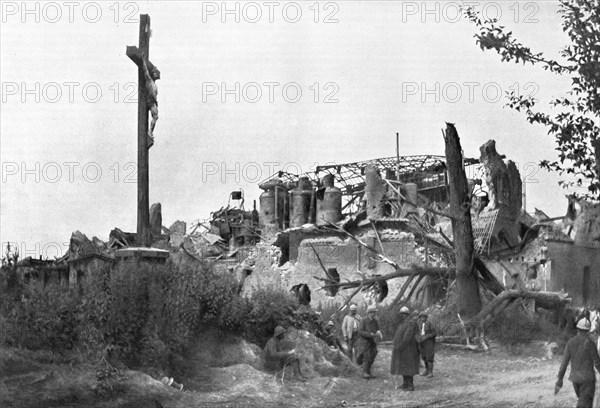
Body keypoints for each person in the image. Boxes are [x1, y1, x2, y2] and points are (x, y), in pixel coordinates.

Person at [555, 318, 600, 408]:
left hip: (575, 380)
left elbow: (564, 364)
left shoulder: (570, 343)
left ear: (577, 329)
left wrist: (560, 380)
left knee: (583, 401)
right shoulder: (590, 344)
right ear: (588, 330)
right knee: (584, 404)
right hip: (588, 380)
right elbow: (597, 363)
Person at [391, 306, 420, 391]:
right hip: (402, 349)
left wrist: (399, 347)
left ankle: (410, 385)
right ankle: (405, 384)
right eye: (401, 314)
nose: (402, 316)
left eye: (403, 314)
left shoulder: (411, 323)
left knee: (408, 367)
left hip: (409, 349)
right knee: (403, 366)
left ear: (407, 315)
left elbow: (407, 337)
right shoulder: (402, 323)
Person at [356, 304, 383, 379]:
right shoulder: (363, 320)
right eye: (373, 312)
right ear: (369, 312)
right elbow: (360, 331)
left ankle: (368, 372)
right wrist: (369, 334)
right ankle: (365, 373)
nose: (374, 314)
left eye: (375, 312)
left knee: (373, 354)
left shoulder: (375, 321)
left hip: (372, 341)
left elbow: (377, 329)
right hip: (364, 341)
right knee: (366, 357)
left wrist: (379, 333)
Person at [141, 53, 159, 147]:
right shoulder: (149, 81)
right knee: (155, 117)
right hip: (150, 101)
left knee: (156, 117)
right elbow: (145, 72)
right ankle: (150, 132)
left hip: (153, 102)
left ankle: (150, 132)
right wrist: (143, 61)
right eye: (155, 73)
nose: (156, 74)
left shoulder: (155, 84)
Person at [416, 311, 437, 378]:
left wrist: (427, 336)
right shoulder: (418, 323)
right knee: (424, 356)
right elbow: (416, 332)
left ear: (426, 317)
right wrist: (418, 338)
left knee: (429, 356)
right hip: (421, 342)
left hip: (429, 342)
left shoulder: (430, 323)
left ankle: (430, 372)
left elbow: (434, 333)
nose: (422, 318)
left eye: (424, 317)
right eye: (421, 317)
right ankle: (426, 370)